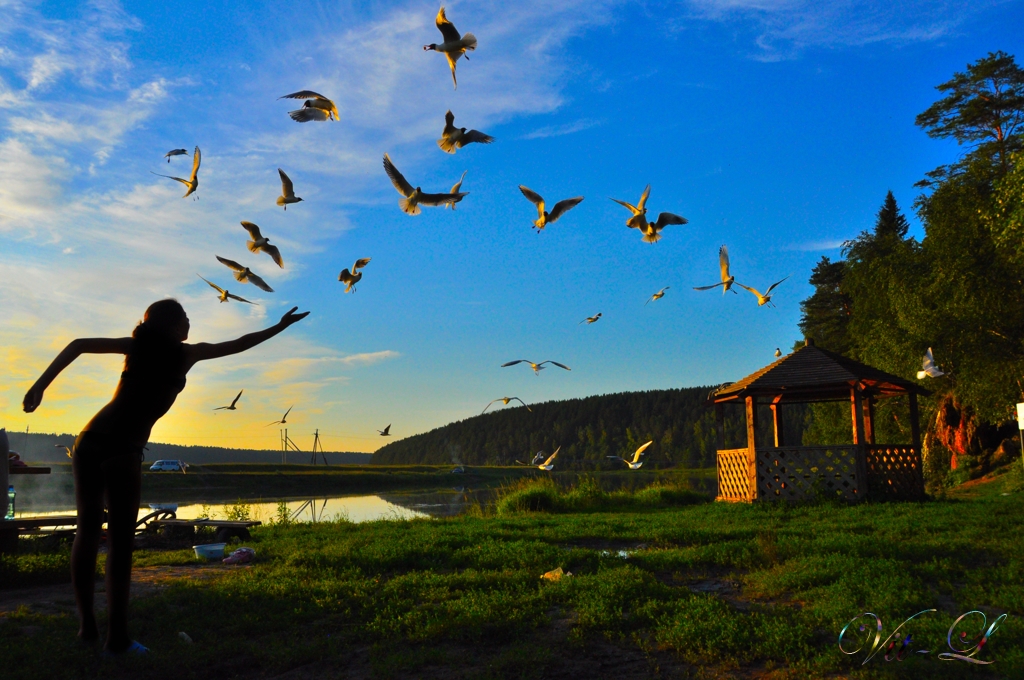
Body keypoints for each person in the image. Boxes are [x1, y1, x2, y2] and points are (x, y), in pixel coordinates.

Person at [22, 300, 309, 654]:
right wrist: (280, 326)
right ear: (173, 327)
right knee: (121, 544)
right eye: (186, 318)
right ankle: (117, 639)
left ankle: (88, 629)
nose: (190, 322)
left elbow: (78, 344)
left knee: (88, 532)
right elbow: (238, 344)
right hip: (122, 448)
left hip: (90, 440)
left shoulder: (136, 347)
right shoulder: (187, 354)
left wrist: (40, 386)